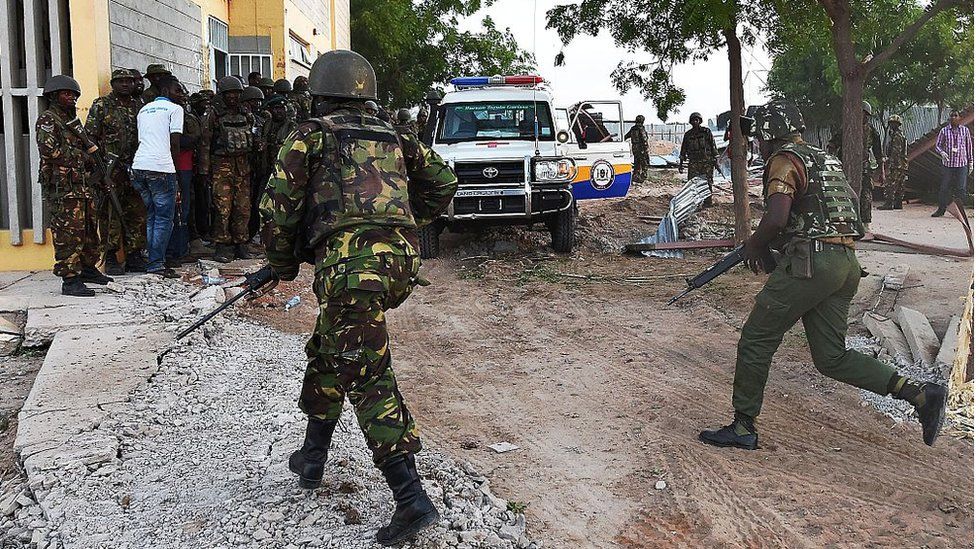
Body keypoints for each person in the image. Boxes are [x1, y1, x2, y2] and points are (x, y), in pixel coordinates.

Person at [259, 50, 458, 546]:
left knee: (367, 373)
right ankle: (312, 457)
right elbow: (444, 183)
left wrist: (284, 265)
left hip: (352, 270)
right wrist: (403, 226)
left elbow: (278, 210)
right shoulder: (395, 135)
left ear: (319, 93)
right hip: (396, 265)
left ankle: (411, 499)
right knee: (331, 349)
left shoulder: (309, 135)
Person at [698, 99, 947, 451]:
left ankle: (742, 427)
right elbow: (839, 210)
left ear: (770, 133)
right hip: (844, 262)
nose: (758, 142)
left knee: (756, 339)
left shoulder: (784, 160)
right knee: (831, 356)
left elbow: (776, 218)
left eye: (760, 135)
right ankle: (919, 394)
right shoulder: (825, 159)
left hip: (812, 263)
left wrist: (755, 246)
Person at [36, 75, 112, 296]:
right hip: (63, 188)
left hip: (81, 185)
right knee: (68, 233)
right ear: (53, 96)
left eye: (74, 95)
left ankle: (88, 268)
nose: (72, 98)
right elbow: (50, 151)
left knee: (88, 230)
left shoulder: (72, 121)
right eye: (66, 94)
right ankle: (70, 280)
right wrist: (83, 157)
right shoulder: (48, 120)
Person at [85, 68, 147, 274]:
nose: (125, 85)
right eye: (120, 81)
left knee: (136, 210)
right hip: (110, 169)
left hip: (135, 166)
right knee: (110, 213)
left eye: (129, 81)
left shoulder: (140, 106)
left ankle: (135, 254)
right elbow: (90, 137)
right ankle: (111, 256)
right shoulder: (102, 105)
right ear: (113, 84)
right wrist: (98, 166)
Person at [131, 75, 184, 278]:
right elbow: (174, 144)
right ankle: (156, 263)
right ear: (165, 92)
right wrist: (177, 176)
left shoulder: (143, 110)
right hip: (161, 168)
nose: (181, 95)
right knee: (164, 218)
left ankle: (153, 259)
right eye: (177, 90)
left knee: (152, 215)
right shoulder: (174, 110)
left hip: (139, 166)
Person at [200, 76, 257, 263]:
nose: (233, 96)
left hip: (242, 167)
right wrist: (204, 170)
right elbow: (205, 143)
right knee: (222, 207)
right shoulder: (214, 114)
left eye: (236, 93)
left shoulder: (247, 114)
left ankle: (241, 242)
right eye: (229, 93)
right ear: (222, 95)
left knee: (243, 207)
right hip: (221, 166)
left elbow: (253, 140)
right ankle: (223, 244)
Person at [167, 84, 195, 263]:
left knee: (183, 211)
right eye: (178, 92)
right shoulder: (170, 111)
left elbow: (196, 137)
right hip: (175, 167)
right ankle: (173, 252)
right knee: (174, 211)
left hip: (185, 166)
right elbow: (176, 141)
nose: (182, 96)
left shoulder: (186, 114)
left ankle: (181, 249)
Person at [932, 110, 973, 217]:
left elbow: (969, 147)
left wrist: (971, 162)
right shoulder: (944, 131)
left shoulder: (965, 131)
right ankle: (941, 209)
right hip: (948, 165)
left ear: (959, 118)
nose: (953, 118)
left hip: (961, 164)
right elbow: (937, 145)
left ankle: (960, 212)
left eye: (956, 116)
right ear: (949, 118)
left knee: (961, 188)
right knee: (944, 187)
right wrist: (942, 152)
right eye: (951, 116)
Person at [244, 85, 270, 241]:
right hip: (245, 165)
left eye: (259, 102)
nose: (257, 105)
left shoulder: (264, 119)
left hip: (260, 166)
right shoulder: (244, 117)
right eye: (254, 101)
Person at [679, 112, 718, 206]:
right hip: (694, 162)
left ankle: (707, 202)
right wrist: (680, 164)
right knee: (692, 183)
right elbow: (683, 150)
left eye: (697, 120)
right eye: (693, 120)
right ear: (691, 122)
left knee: (708, 182)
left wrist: (716, 160)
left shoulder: (706, 132)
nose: (695, 122)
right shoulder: (688, 135)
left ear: (700, 121)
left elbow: (713, 146)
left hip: (707, 162)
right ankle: (694, 203)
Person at [860, 101, 883, 230]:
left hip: (864, 167)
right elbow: (833, 144)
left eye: (865, 114)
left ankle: (865, 223)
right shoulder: (847, 128)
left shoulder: (872, 131)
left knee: (866, 194)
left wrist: (881, 172)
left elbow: (878, 153)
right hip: (846, 167)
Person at [880, 114, 908, 210]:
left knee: (891, 183)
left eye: (893, 123)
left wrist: (890, 161)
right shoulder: (900, 135)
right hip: (902, 164)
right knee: (900, 184)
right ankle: (898, 203)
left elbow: (896, 151)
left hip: (897, 163)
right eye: (891, 123)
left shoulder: (896, 136)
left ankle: (889, 203)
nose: (892, 125)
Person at [624, 115, 650, 184]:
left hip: (634, 147)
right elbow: (644, 139)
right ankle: (643, 177)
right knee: (644, 163)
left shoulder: (633, 129)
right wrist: (646, 149)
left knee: (637, 162)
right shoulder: (641, 128)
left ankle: (635, 177)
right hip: (641, 148)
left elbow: (626, 136)